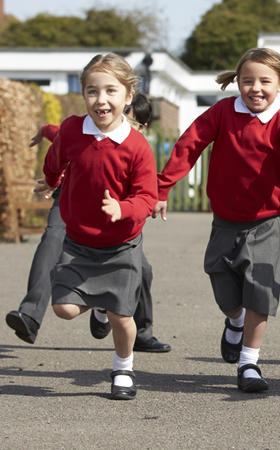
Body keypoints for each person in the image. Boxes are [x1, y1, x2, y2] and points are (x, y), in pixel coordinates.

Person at [153, 48, 280, 393]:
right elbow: (189, 145)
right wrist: (162, 186)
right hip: (226, 221)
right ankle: (235, 322)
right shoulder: (223, 112)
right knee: (226, 294)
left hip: (266, 222)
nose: (255, 88)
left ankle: (249, 363)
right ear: (237, 82)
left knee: (260, 291)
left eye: (265, 81)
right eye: (248, 81)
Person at [5, 93, 171, 353]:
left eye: (131, 122)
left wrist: (141, 204)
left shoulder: (135, 148)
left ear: (142, 127)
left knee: (143, 270)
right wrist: (43, 136)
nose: (120, 123)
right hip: (74, 200)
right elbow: (57, 134)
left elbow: (146, 192)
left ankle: (140, 331)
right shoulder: (83, 129)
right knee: (52, 242)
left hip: (115, 212)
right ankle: (30, 314)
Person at [39, 53, 158, 400]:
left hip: (121, 245)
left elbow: (147, 196)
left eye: (110, 91)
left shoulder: (136, 146)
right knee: (63, 309)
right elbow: (55, 157)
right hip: (78, 243)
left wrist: (123, 208)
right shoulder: (73, 129)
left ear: (128, 95)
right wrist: (49, 179)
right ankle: (100, 306)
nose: (101, 100)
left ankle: (123, 368)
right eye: (92, 91)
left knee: (123, 315)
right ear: (83, 94)